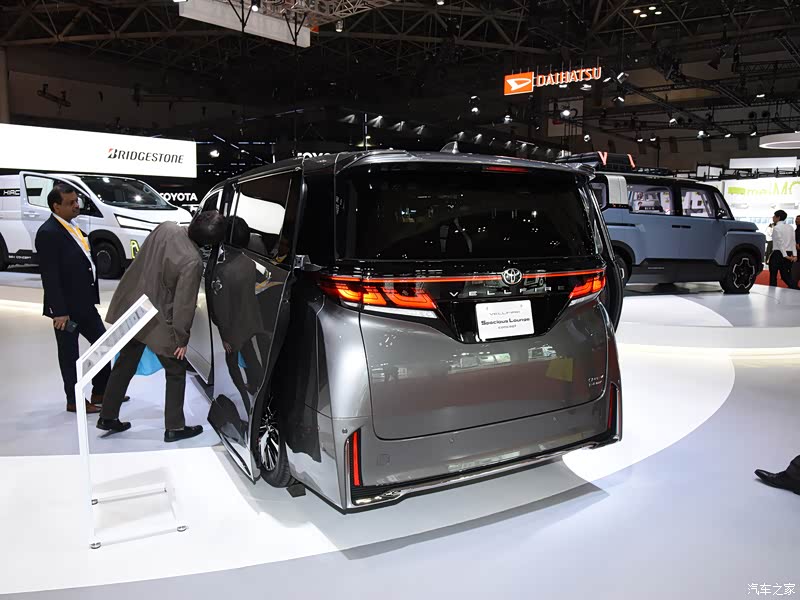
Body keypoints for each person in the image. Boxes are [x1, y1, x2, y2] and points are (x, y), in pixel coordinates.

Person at [97, 211, 226, 442]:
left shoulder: (166, 227)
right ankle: (175, 427)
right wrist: (181, 339)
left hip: (133, 307)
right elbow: (184, 304)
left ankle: (107, 416)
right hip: (157, 318)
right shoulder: (193, 261)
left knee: (125, 363)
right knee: (176, 370)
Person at [35, 183, 108, 414]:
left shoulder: (73, 227)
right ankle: (74, 400)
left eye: (77, 201)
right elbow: (50, 276)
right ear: (56, 206)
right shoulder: (48, 233)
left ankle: (100, 391)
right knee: (70, 356)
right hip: (65, 310)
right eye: (70, 203)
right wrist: (59, 312)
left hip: (85, 304)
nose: (76, 205)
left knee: (104, 344)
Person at [767, 209, 796, 288]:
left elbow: (780, 243)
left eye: (774, 216)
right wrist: (795, 255)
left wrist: (785, 255)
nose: (773, 217)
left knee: (773, 276)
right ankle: (796, 289)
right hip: (789, 253)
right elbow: (793, 241)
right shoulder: (790, 227)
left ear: (778, 217)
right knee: (786, 276)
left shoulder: (776, 228)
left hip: (778, 254)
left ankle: (772, 293)